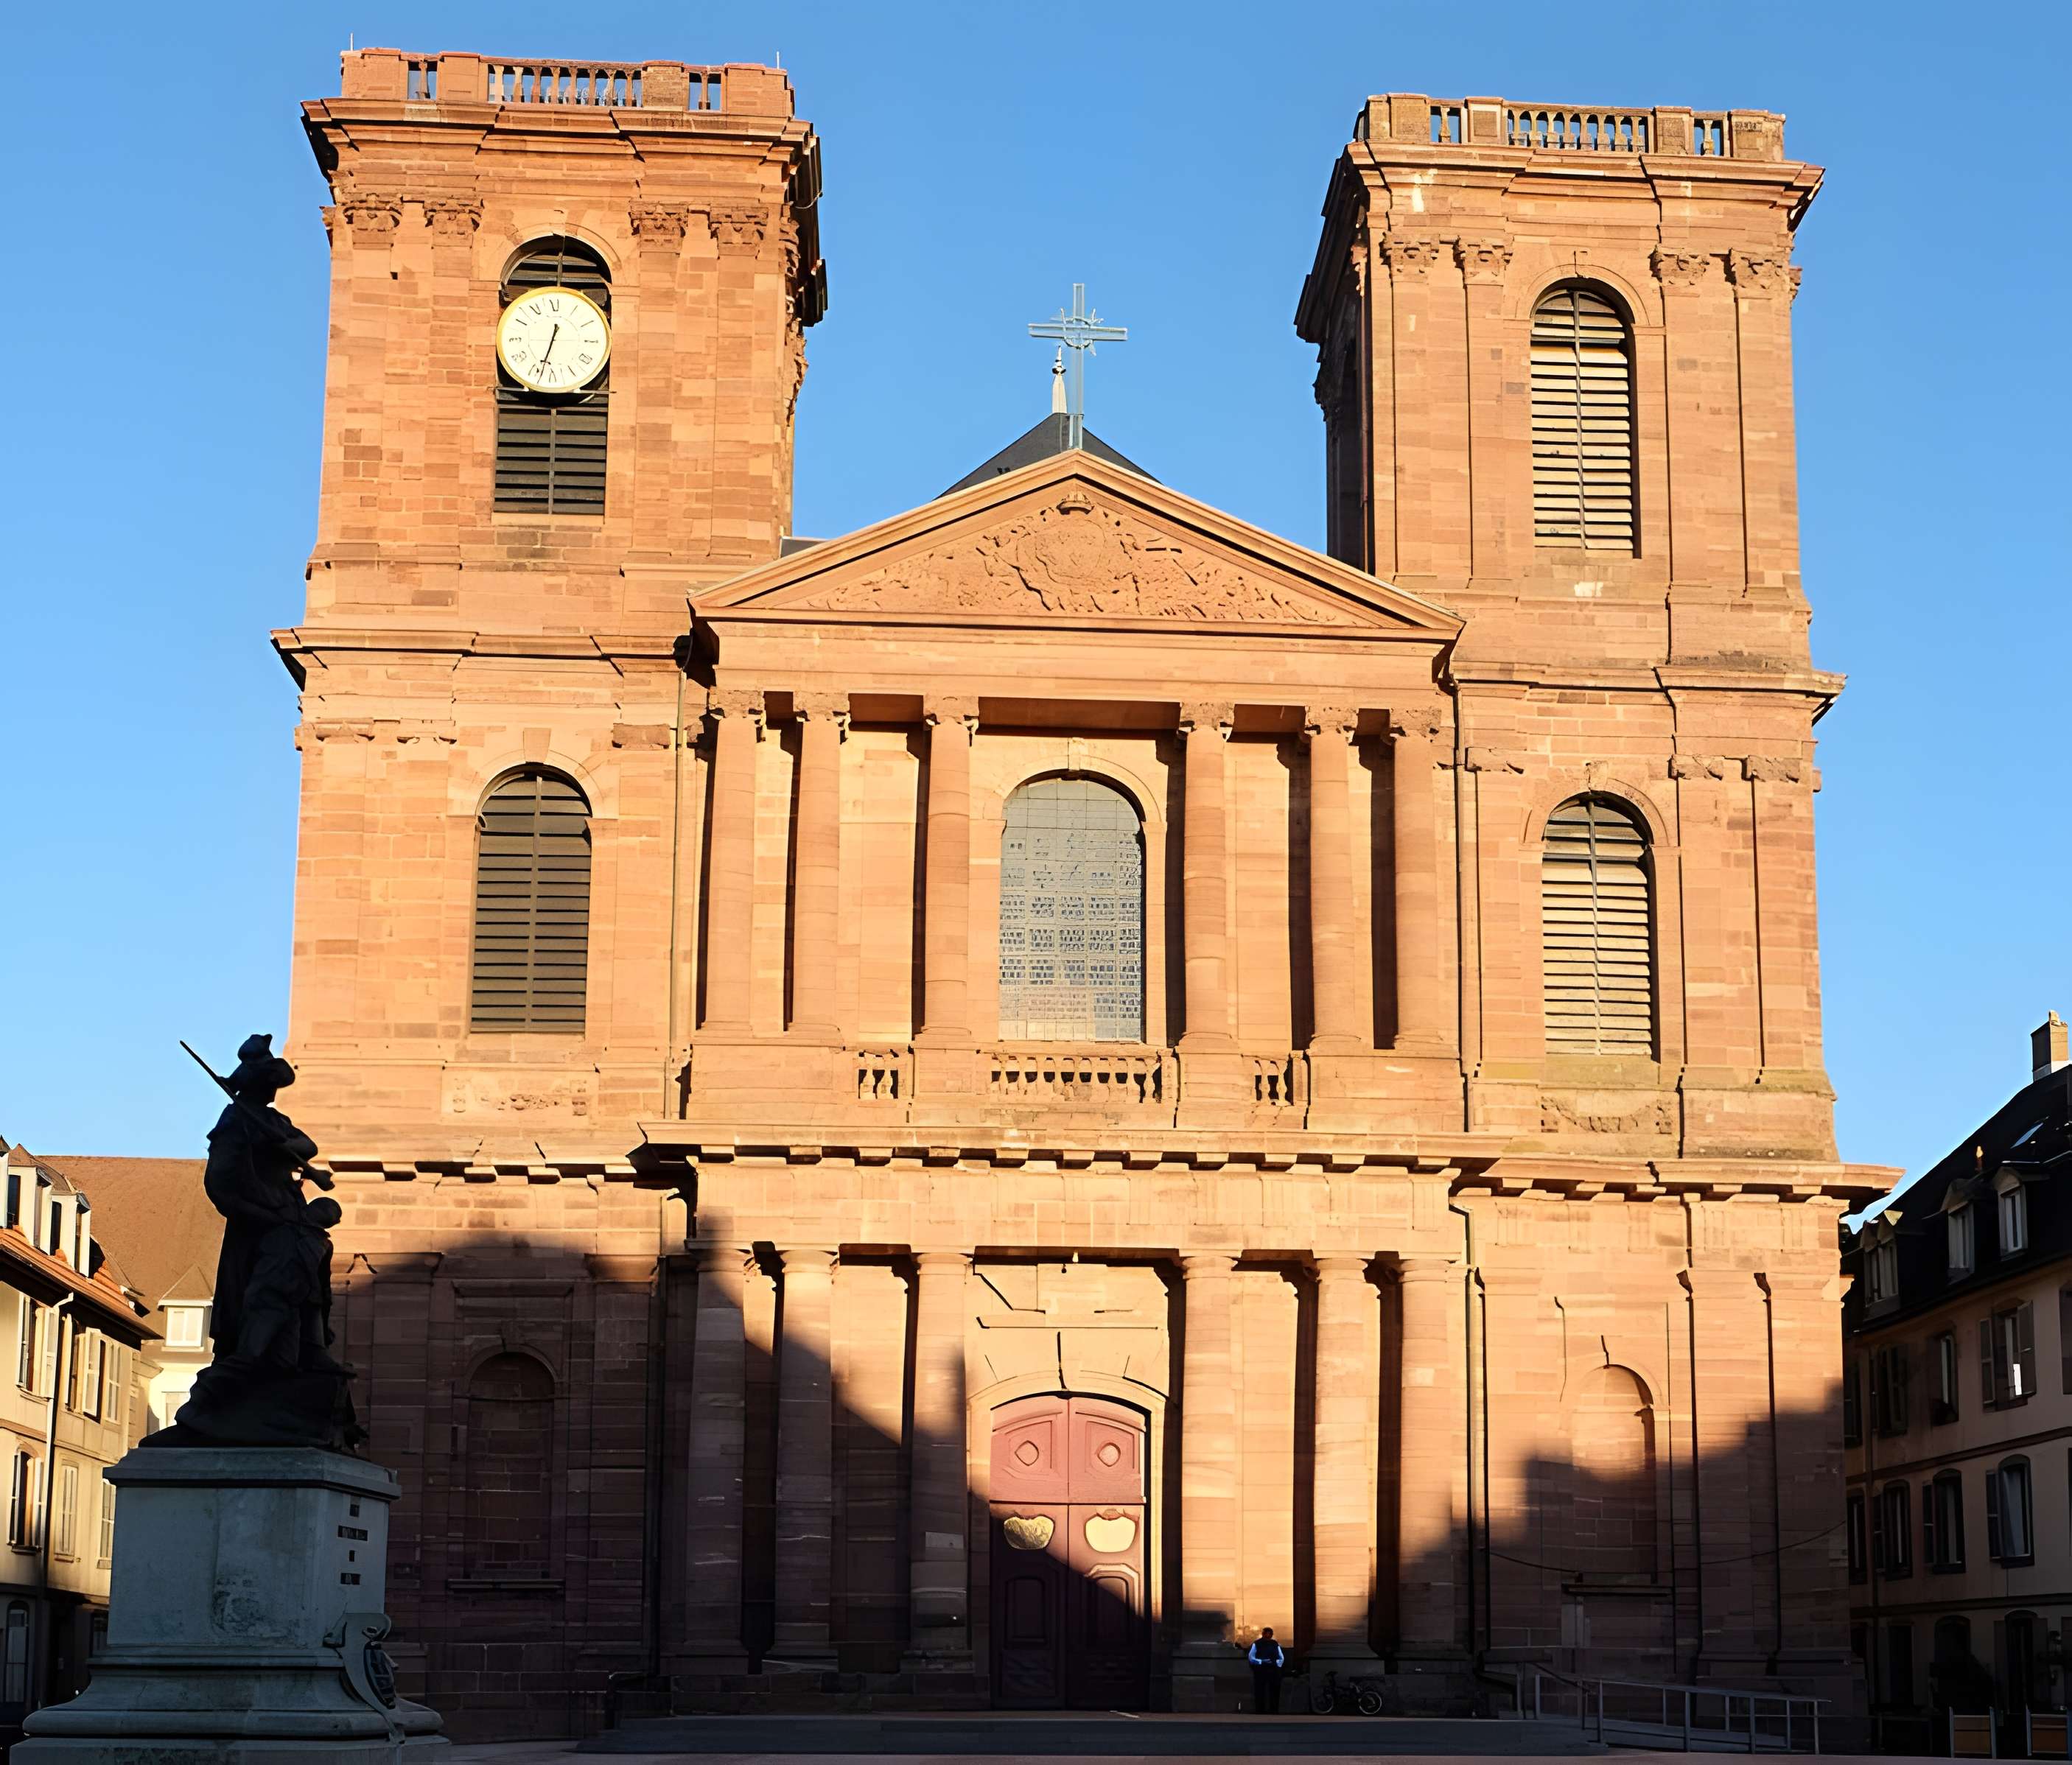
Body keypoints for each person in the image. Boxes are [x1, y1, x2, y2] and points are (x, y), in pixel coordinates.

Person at [1247, 1627, 1284, 1713]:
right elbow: (1251, 1657)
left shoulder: (1274, 1644)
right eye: (1266, 1634)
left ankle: (1272, 1709)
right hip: (1262, 1670)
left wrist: (1274, 1663)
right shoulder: (1258, 1644)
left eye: (1269, 1634)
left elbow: (1281, 1657)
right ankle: (1262, 1709)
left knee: (1272, 1690)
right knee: (1261, 1690)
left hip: (1270, 1669)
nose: (1268, 1635)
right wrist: (1262, 1662)